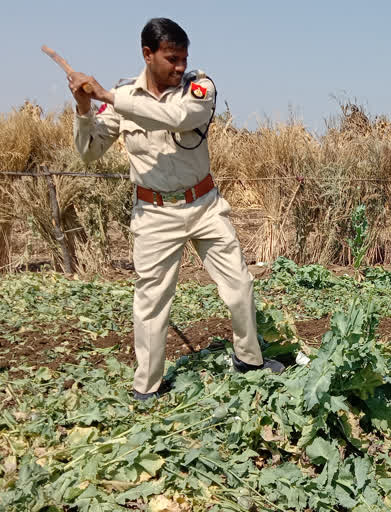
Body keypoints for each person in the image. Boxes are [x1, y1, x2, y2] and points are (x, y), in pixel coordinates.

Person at [68, 18, 284, 400]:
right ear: (148, 55)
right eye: (172, 59)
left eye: (184, 57)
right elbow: (89, 153)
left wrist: (108, 96)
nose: (181, 66)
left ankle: (249, 360)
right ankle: (146, 388)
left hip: (205, 206)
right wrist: (86, 107)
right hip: (153, 214)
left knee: (239, 286)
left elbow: (180, 118)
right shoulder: (123, 96)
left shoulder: (200, 89)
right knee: (151, 303)